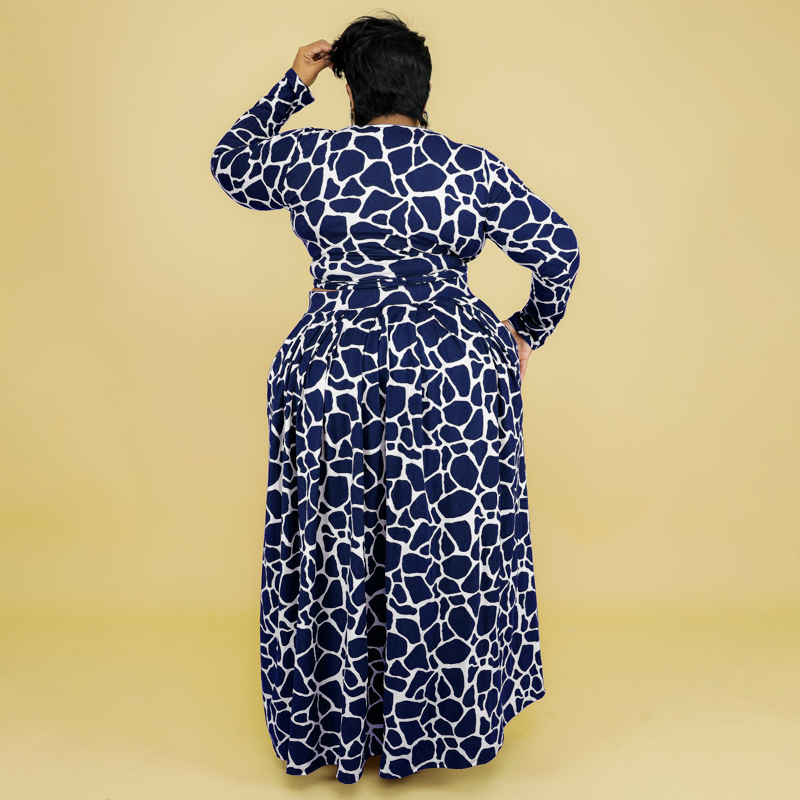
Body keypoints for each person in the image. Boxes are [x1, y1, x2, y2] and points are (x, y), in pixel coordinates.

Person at [209, 12, 580, 784]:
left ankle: (347, 726)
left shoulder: (313, 157)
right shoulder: (471, 168)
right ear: (423, 93)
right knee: (442, 540)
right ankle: (440, 725)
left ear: (352, 91)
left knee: (340, 536)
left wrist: (293, 84)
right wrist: (525, 331)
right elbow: (561, 250)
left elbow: (231, 165)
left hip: (334, 364)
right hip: (453, 368)